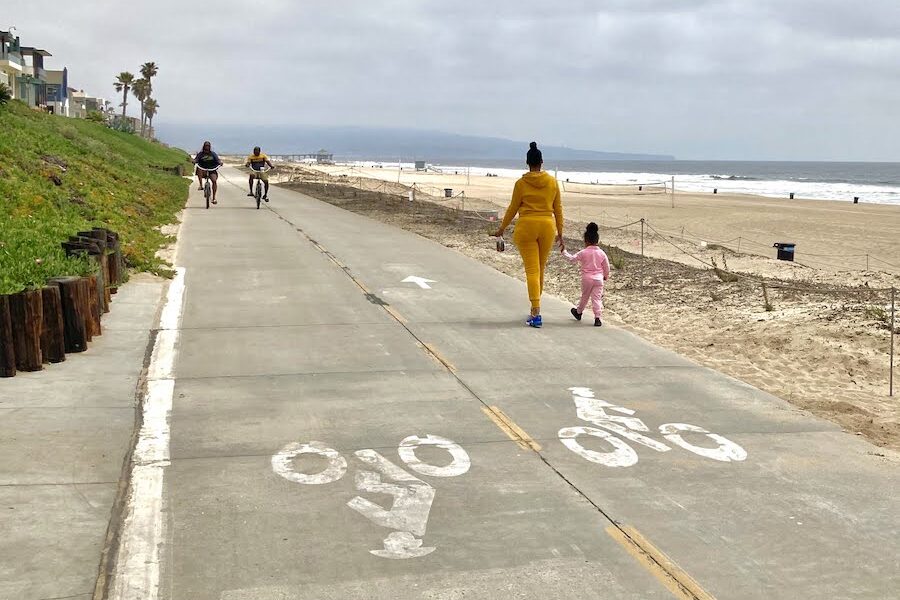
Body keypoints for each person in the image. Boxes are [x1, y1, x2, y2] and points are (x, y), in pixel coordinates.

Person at [492, 142, 564, 328]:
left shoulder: (521, 184)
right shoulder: (552, 182)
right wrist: (561, 234)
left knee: (532, 270)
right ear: (541, 161)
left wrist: (502, 228)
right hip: (547, 227)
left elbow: (512, 209)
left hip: (527, 226)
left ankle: (536, 312)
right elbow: (558, 210)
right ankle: (535, 309)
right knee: (540, 269)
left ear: (527, 162)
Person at [563, 222, 610, 327]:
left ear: (586, 240)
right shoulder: (602, 253)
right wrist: (605, 276)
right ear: (597, 240)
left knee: (585, 296)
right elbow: (606, 267)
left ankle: (579, 312)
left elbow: (572, 259)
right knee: (596, 298)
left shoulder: (584, 252)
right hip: (599, 279)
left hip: (587, 278)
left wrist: (564, 251)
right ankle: (597, 318)